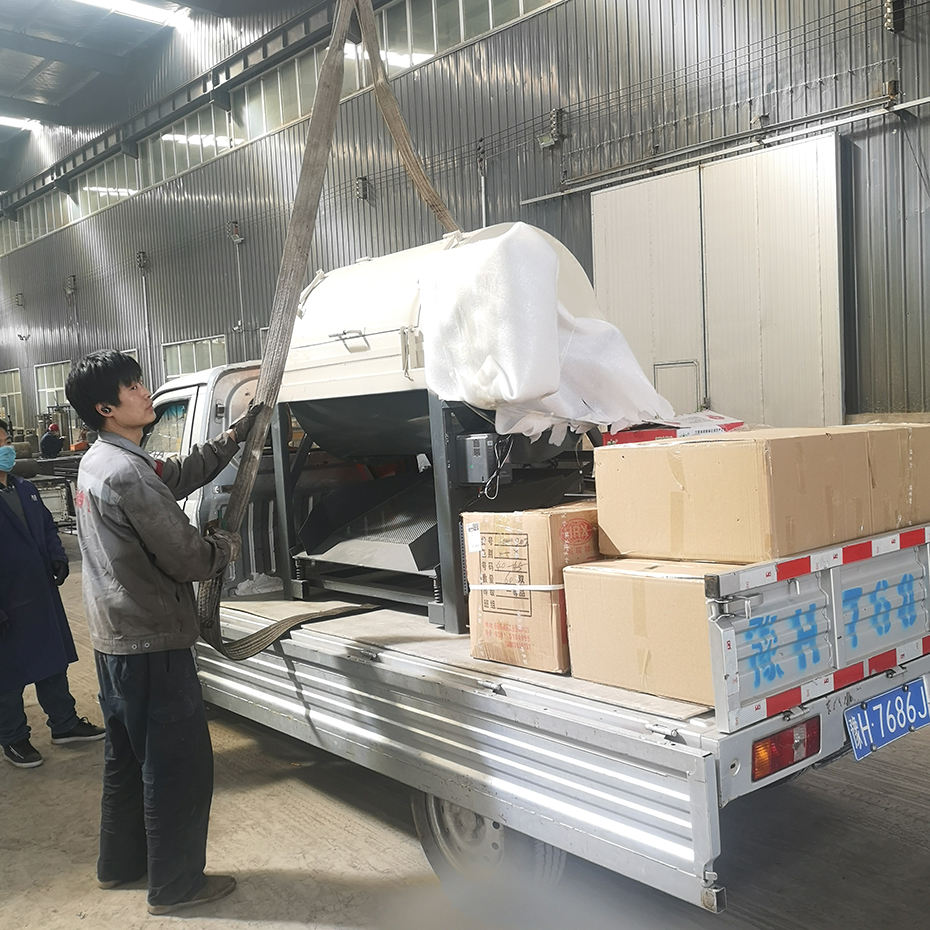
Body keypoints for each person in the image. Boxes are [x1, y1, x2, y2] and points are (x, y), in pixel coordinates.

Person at [65, 350, 260, 917]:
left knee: (127, 760)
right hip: (152, 642)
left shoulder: (100, 461)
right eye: (132, 387)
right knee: (177, 770)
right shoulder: (127, 473)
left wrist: (233, 438)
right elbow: (188, 558)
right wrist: (224, 545)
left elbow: (174, 474)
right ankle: (176, 887)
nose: (144, 392)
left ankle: (120, 865)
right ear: (106, 407)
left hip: (115, 642)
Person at [0, 418, 105, 769]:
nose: (6, 449)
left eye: (6, 441)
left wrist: (58, 556)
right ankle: (14, 737)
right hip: (6, 601)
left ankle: (64, 723)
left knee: (51, 662)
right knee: (7, 675)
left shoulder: (24, 489)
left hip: (39, 594)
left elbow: (47, 527)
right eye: (0, 443)